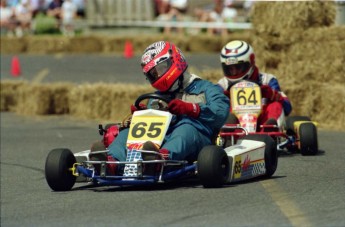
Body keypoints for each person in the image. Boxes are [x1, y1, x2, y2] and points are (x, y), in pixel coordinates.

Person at [105, 41, 229, 172]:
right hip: (160, 140)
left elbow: (221, 113)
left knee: (185, 128)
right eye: (153, 75)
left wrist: (192, 109)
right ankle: (112, 162)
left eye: (160, 69)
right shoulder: (156, 97)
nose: (157, 76)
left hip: (197, 139)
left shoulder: (206, 88)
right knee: (128, 132)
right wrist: (142, 116)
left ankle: (160, 159)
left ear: (175, 61)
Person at [217, 40, 292, 130]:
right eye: (229, 69)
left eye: (238, 67)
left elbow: (288, 107)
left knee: (275, 105)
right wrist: (225, 97)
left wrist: (271, 94)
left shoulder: (267, 80)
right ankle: (228, 132)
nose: (234, 72)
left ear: (251, 62)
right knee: (223, 108)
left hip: (262, 125)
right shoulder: (223, 84)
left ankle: (270, 129)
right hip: (237, 129)